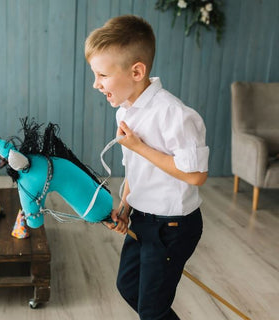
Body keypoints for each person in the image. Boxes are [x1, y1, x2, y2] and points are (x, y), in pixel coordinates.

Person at [85, 15, 209, 319]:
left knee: (152, 310)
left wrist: (140, 146)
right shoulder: (125, 111)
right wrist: (125, 206)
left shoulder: (174, 114)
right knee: (128, 286)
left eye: (102, 75)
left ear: (136, 71)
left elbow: (196, 175)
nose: (96, 84)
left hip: (172, 226)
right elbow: (135, 169)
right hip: (142, 217)